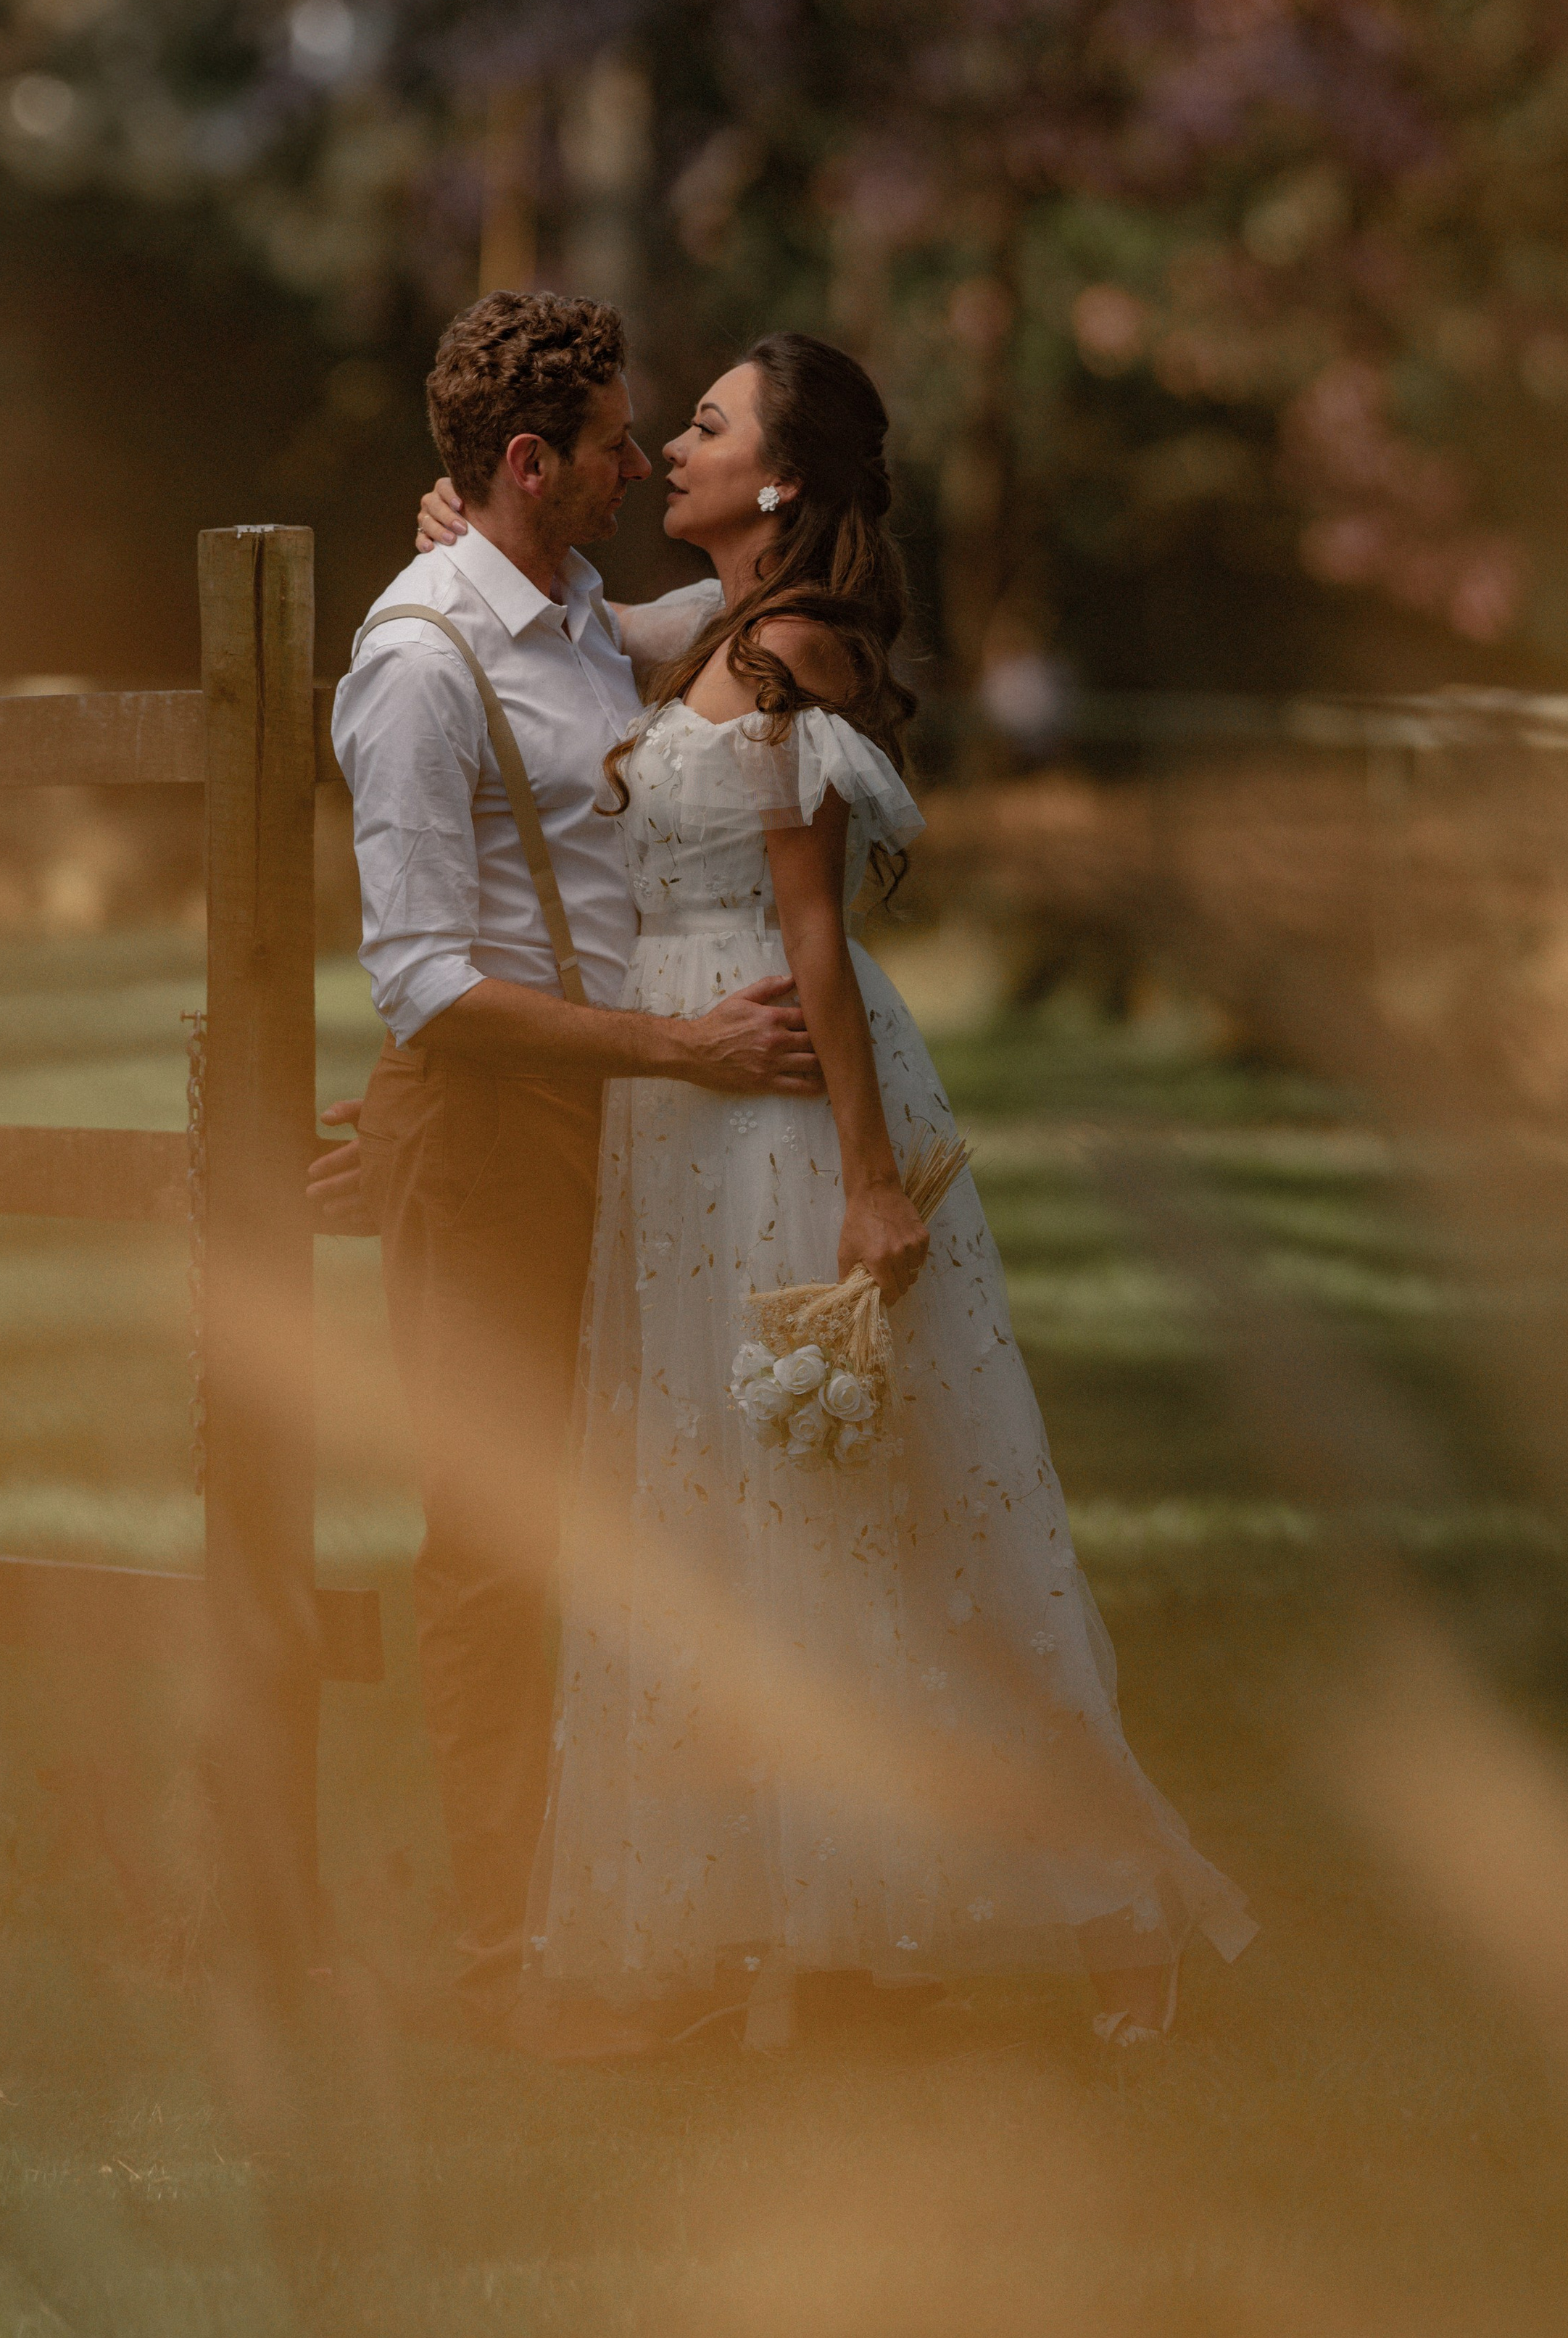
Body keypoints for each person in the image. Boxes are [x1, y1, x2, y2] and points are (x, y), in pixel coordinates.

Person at [407, 333, 1256, 2054]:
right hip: (683, 1105)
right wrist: (467, 543)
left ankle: (1114, 1905)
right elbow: (576, 626)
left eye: (704, 428)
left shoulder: (790, 649)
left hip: (783, 1099)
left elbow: (812, 937)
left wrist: (869, 1188)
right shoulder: (707, 629)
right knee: (741, 1523)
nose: (665, 452)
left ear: (778, 481)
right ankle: (799, 1931)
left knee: (890, 1512)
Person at [319, 291, 827, 2049]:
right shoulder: (416, 659)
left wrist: (800, 501)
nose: (637, 459)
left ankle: (621, 1917)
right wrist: (675, 1054)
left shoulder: (574, 614)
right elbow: (424, 980)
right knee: (493, 1545)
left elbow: (717, 611)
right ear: (533, 463)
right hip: (501, 1130)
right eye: (613, 440)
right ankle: (499, 1966)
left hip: (602, 1123)